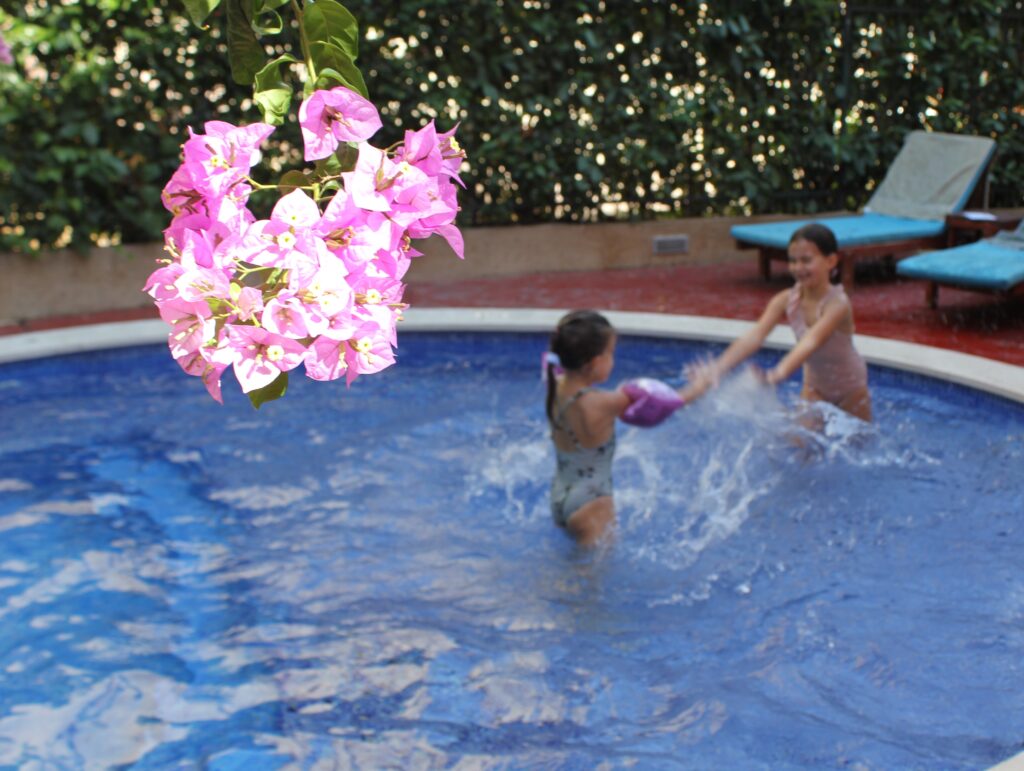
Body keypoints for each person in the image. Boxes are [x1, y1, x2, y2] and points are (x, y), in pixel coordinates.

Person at [544, 310, 702, 546]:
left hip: (560, 497)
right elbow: (669, 402)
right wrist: (701, 383)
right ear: (595, 362)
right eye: (611, 353)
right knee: (589, 580)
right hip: (592, 503)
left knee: (575, 572)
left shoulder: (556, 385)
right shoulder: (601, 403)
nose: (612, 359)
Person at [688, 222, 872, 422]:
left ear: (831, 261)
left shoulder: (838, 303)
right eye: (793, 261)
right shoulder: (785, 299)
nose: (798, 267)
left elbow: (811, 341)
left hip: (850, 388)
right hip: (814, 387)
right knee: (800, 446)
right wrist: (717, 368)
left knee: (860, 447)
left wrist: (777, 374)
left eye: (806, 260)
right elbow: (755, 336)